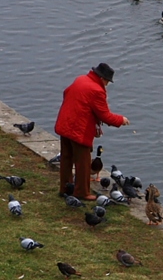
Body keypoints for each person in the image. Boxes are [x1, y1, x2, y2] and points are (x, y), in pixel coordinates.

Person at [54, 63, 130, 200]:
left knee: (66, 158)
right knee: (83, 163)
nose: (107, 84)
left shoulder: (81, 79)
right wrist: (121, 120)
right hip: (79, 130)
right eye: (107, 81)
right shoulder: (97, 90)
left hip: (65, 122)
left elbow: (66, 93)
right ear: (102, 78)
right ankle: (82, 192)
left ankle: (65, 188)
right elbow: (104, 115)